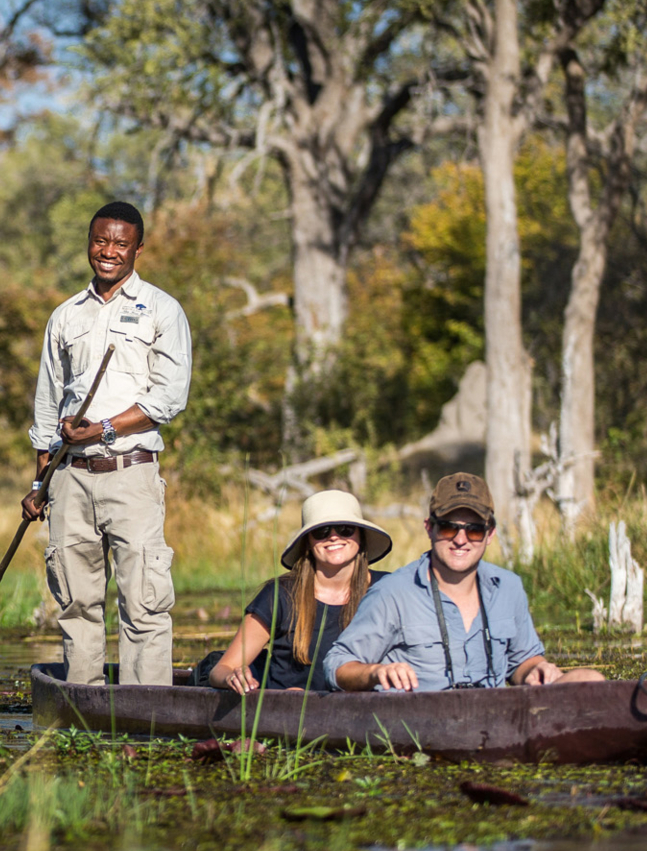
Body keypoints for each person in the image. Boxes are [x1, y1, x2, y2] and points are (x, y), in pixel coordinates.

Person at [21, 201, 192, 686]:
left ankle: (148, 714)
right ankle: (82, 710)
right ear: (89, 242)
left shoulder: (162, 309)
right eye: (100, 241)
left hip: (131, 473)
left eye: (120, 243)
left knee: (143, 602)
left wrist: (102, 430)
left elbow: (168, 398)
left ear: (139, 247)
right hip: (69, 479)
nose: (108, 252)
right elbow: (47, 408)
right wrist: (40, 484)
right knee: (76, 602)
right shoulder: (65, 316)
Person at [324, 472, 606, 691]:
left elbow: (523, 661)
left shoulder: (508, 588)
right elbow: (337, 665)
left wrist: (538, 669)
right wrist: (375, 673)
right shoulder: (391, 593)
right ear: (429, 528)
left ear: (490, 534)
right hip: (420, 727)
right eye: (449, 527)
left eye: (474, 530)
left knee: (590, 679)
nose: (461, 540)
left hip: (495, 719)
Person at [208, 490, 392, 693]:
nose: (333, 537)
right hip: (288, 716)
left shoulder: (387, 589)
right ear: (307, 541)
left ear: (361, 535)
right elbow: (221, 669)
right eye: (321, 531)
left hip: (360, 714)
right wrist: (232, 677)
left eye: (345, 529)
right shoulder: (278, 595)